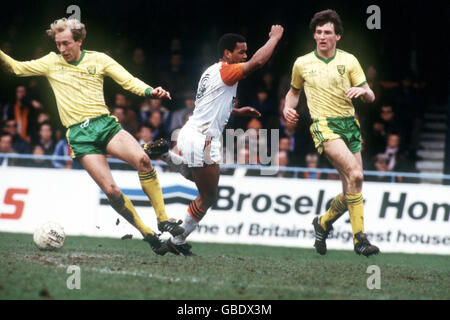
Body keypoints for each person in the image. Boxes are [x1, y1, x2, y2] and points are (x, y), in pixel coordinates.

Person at [0, 18, 184, 255]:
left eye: (66, 43)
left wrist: (149, 90)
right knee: (111, 191)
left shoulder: (99, 59)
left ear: (79, 40)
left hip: (104, 125)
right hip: (80, 136)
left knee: (143, 160)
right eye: (58, 44)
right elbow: (15, 68)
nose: (62, 49)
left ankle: (163, 219)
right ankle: (147, 232)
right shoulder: (50, 62)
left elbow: (127, 80)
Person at [145, 25, 284, 255]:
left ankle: (165, 155)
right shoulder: (227, 71)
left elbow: (209, 104)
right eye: (241, 52)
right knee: (209, 196)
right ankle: (178, 240)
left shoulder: (211, 71)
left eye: (246, 51)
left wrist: (236, 112)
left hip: (191, 131)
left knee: (194, 178)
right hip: (204, 140)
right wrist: (275, 38)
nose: (245, 56)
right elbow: (258, 63)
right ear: (227, 53)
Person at [283, 10, 379, 257]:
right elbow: (294, 93)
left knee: (353, 186)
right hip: (324, 126)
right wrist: (287, 108)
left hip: (350, 125)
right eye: (318, 32)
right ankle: (360, 240)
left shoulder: (349, 61)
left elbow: (370, 94)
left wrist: (363, 92)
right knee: (356, 175)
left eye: (327, 32)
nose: (321, 36)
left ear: (337, 36)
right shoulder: (302, 63)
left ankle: (323, 223)